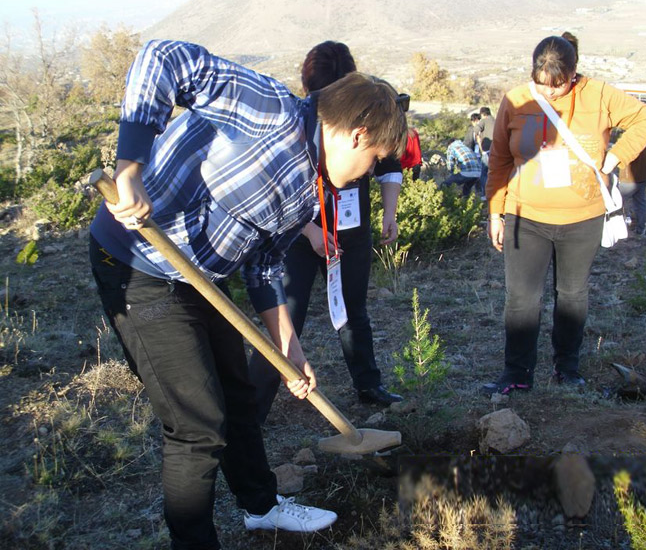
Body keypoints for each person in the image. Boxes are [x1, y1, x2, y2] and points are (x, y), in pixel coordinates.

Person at [88, 39, 407, 549]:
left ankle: (261, 508)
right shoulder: (270, 110)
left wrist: (289, 348)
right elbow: (164, 58)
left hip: (200, 278)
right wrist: (130, 166)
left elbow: (263, 260)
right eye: (374, 159)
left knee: (237, 396)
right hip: (139, 264)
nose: (370, 171)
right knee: (198, 426)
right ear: (358, 134)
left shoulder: (312, 183)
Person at [482, 32, 646, 395]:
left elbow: (643, 119)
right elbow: (498, 158)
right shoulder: (515, 99)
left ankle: (567, 368)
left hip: (582, 219)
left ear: (573, 74)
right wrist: (495, 213)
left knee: (572, 295)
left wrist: (615, 156)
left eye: (557, 87)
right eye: (541, 85)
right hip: (524, 217)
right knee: (521, 299)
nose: (548, 93)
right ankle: (517, 373)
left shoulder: (599, 94)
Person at [248, 41, 404, 419]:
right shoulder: (301, 136)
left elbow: (389, 165)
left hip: (349, 233)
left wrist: (389, 211)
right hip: (299, 239)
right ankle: (252, 407)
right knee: (287, 318)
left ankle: (368, 383)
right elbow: (275, 193)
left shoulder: (369, 122)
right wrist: (310, 232)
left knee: (353, 309)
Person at [619, 135, 646, 235]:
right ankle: (641, 229)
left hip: (628, 179)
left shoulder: (627, 141)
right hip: (643, 178)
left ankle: (622, 225)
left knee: (618, 202)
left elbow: (622, 159)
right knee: (640, 204)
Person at [476, 107, 495, 199]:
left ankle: (484, 194)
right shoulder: (496, 120)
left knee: (484, 173)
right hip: (496, 151)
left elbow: (476, 129)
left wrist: (479, 139)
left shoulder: (484, 120)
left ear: (483, 114)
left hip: (486, 151)